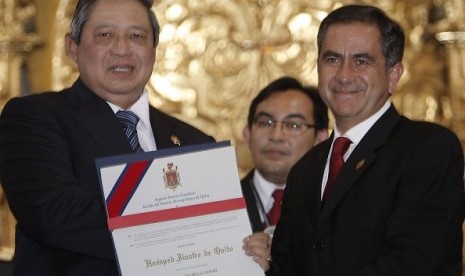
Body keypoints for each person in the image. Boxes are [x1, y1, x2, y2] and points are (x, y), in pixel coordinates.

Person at [0, 0, 214, 275]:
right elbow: (54, 214)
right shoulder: (34, 117)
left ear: (154, 50)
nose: (122, 49)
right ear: (73, 47)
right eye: (105, 35)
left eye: (136, 36)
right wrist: (181, 228)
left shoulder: (196, 142)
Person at [269, 5, 465, 276]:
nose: (344, 75)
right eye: (333, 59)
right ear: (318, 68)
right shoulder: (305, 170)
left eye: (362, 61)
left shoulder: (427, 149)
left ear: (393, 76)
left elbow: (410, 264)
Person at [241, 76, 329, 271]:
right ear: (247, 134)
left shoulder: (332, 206)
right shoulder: (220, 207)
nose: (276, 136)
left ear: (321, 139)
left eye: (294, 125)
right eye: (265, 122)